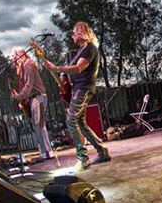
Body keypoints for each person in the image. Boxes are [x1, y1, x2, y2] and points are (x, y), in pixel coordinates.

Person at [40, 22, 110, 171]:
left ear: (82, 32)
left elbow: (78, 68)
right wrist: (44, 60)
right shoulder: (80, 51)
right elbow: (65, 69)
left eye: (74, 32)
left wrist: (57, 68)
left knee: (71, 120)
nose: (72, 35)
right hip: (77, 89)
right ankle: (102, 151)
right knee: (80, 123)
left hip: (83, 89)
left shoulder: (90, 48)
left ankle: (83, 159)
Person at [10, 48, 53, 162]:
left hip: (39, 97)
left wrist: (20, 96)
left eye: (15, 56)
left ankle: (44, 153)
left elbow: (29, 85)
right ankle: (47, 151)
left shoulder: (29, 64)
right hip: (34, 98)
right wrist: (23, 100)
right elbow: (28, 87)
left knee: (38, 125)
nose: (14, 60)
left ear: (21, 54)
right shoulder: (23, 68)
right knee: (40, 125)